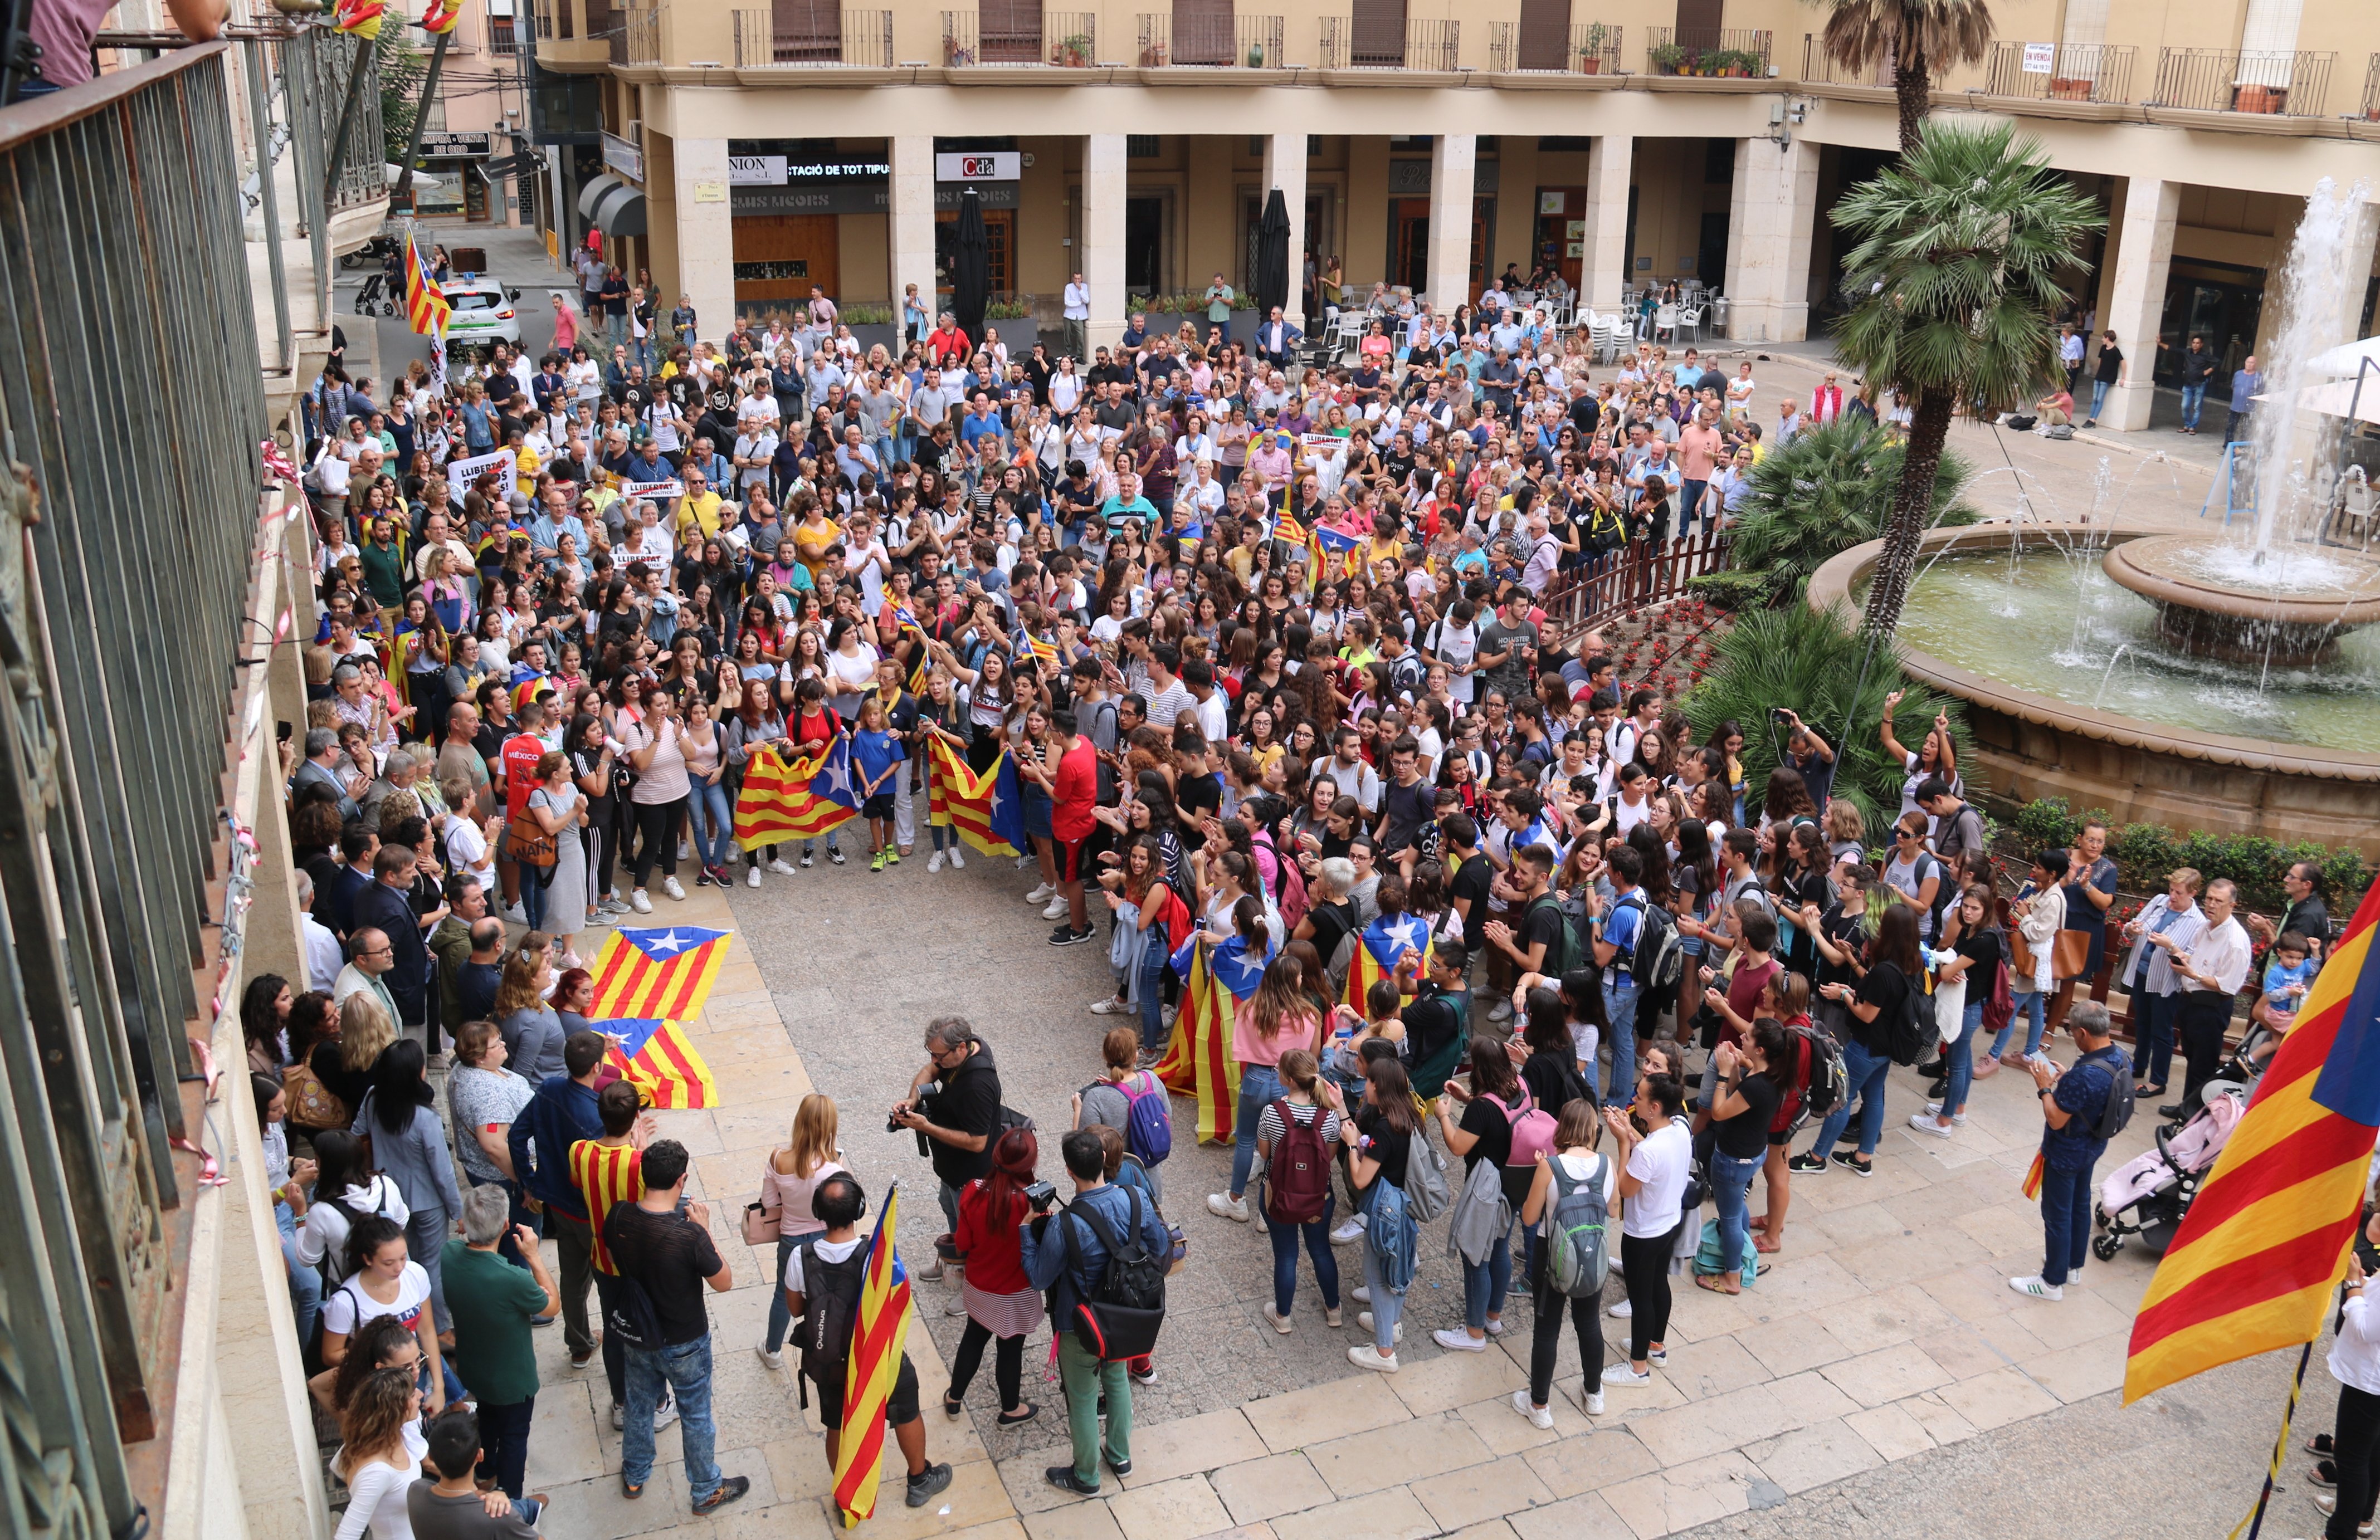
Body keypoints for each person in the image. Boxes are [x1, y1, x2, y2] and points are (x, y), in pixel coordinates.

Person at [783, 1172, 955, 1507]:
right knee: (905, 1411)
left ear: (819, 1212)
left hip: (830, 1360)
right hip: (878, 1357)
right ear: (859, 1209)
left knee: (836, 1423)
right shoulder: (876, 1256)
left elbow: (795, 1309)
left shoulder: (799, 1257)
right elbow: (896, 1302)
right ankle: (920, 1480)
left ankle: (845, 1492)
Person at [1018, 1129, 1173, 1497]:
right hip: (1125, 1314)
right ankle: (1120, 1455)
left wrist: (1026, 1229)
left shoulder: (1064, 1223)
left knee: (1084, 1397)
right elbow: (1160, 1247)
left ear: (1070, 1172)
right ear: (1105, 1160)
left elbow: (1040, 1276)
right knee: (1117, 1378)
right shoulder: (1136, 1197)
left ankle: (1086, 1476)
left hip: (1082, 1322)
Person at [604, 1138, 752, 1513]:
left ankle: (635, 1473)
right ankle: (705, 1489)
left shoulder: (618, 1216)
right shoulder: (689, 1236)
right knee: (696, 1414)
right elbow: (725, 1280)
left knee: (638, 1405)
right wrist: (705, 1230)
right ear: (681, 1180)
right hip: (685, 1342)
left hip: (638, 1335)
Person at [438, 1186, 559, 1499]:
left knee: (487, 1421)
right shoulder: (512, 1279)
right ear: (506, 1226)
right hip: (513, 1380)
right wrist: (533, 1255)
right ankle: (512, 1502)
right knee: (514, 1438)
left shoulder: (449, 1254)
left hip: (474, 1368)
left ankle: (485, 1472)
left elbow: (458, 1241)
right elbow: (552, 1306)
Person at [1794, 904, 1926, 1179]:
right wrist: (1853, 961)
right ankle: (1863, 1157)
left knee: (1843, 1098)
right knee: (1874, 1096)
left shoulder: (1885, 971)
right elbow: (1879, 993)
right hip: (1886, 1046)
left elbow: (1867, 1013)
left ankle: (1817, 1157)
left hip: (1867, 1045)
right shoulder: (1911, 961)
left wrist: (1843, 996)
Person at [2009, 1003, 2130, 1301]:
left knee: (2057, 1214)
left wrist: (2045, 1087)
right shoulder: (2120, 1056)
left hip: (2066, 1152)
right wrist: (2068, 1077)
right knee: (2080, 1204)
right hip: (2093, 1146)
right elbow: (2093, 1096)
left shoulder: (2084, 1076)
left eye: (2070, 1030)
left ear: (2083, 1032)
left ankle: (2051, 1282)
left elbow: (2056, 1118)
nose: (2071, 1035)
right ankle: (2072, 1267)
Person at [508, 1030, 609, 1370]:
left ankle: (579, 1344)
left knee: (572, 1277)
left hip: (557, 1205)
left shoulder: (549, 1089)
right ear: (597, 1067)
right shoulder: (595, 1117)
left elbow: (516, 1135)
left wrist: (530, 1182)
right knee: (608, 1278)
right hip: (589, 1213)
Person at [353, 1039, 466, 1333]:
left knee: (399, 1266)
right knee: (430, 1269)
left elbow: (356, 1136)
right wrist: (458, 1211)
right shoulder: (425, 1118)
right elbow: (442, 1172)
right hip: (427, 1203)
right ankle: (439, 1329)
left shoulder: (372, 1099)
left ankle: (406, 1323)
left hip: (388, 1198)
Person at [1512, 1098, 1612, 1424]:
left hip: (1550, 1255)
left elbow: (1529, 1217)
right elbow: (1615, 1211)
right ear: (1593, 1130)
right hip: (1592, 1253)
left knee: (1547, 1330)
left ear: (1562, 1128)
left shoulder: (1549, 1167)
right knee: (1589, 1323)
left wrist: (1543, 1173)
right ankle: (1594, 1393)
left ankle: (1539, 1406)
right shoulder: (1606, 1164)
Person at [945, 1126, 1044, 1425]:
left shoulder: (972, 1192)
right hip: (1016, 1292)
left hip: (980, 1286)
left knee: (973, 1340)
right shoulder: (1033, 1203)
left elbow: (962, 1244)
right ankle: (1011, 1409)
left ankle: (954, 1397)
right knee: (1010, 1349)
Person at [894, 1016, 1004, 1279]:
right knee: (951, 1212)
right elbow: (929, 1072)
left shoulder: (978, 1086)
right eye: (932, 1053)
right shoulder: (967, 1049)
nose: (934, 1061)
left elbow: (978, 1142)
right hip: (952, 1170)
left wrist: (926, 1127)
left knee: (971, 1231)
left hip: (971, 1177)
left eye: (939, 1056)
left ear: (962, 1049)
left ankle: (969, 1282)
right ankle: (953, 1262)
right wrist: (913, 1099)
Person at [1601, 1072, 1689, 1387]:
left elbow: (1625, 1188)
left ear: (1654, 1108)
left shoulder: (1649, 1152)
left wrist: (1623, 1141)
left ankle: (1637, 1368)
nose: (1633, 1100)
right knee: (1658, 1286)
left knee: (1641, 1300)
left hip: (1643, 1234)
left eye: (1638, 1097)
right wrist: (1631, 1132)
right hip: (1669, 1224)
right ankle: (1656, 1346)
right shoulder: (1679, 1128)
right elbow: (1651, 1150)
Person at [1254, 1048, 1343, 1332]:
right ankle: (1334, 1311)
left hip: (1278, 1195)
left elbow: (1265, 1154)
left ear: (1288, 1079)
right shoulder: (1328, 1116)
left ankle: (1283, 1317)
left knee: (1286, 1254)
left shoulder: (1271, 1113)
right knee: (1320, 1250)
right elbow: (1328, 1158)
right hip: (1319, 1196)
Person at [757, 1093, 846, 1369]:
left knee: (783, 1295)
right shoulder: (834, 1167)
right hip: (824, 1239)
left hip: (791, 1239)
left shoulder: (778, 1159)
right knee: (826, 1294)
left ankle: (772, 1350)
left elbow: (769, 1203)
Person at [1699, 1022, 1783, 1295]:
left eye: (1747, 1037)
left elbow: (1720, 1111)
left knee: (1730, 1218)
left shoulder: (1760, 1085)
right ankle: (1744, 1251)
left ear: (1759, 1049)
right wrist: (1734, 1067)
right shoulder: (1766, 1073)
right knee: (1736, 1209)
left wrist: (1722, 1074)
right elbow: (1740, 1095)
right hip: (1752, 1154)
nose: (1741, 1037)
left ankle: (1732, 1278)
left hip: (1734, 1160)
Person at [2159, 877, 2252, 1119]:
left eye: (2218, 901)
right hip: (2189, 1001)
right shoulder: (2205, 927)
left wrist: (2194, 974)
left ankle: (2192, 1117)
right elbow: (2193, 955)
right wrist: (2180, 957)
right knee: (2191, 1057)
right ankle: (2186, 1107)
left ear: (2232, 905)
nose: (2211, 904)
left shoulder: (2236, 942)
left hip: (2211, 1007)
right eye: (2209, 898)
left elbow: (2227, 986)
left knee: (2204, 1065)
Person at [2116, 867, 2203, 1099]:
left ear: (2193, 893)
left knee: (2162, 1031)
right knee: (2142, 1022)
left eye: (2179, 893)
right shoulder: (2159, 901)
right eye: (2171, 890)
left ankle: (2158, 1081)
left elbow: (2192, 958)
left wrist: (2171, 946)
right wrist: (2132, 929)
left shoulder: (2198, 922)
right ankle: (2139, 1065)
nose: (2172, 896)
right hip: (2142, 971)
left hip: (2166, 981)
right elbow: (2136, 925)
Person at [409, 1409, 547, 1540]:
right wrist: (499, 1495)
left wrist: (484, 1494)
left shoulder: (415, 1490)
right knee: (539, 1501)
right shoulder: (498, 1517)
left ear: (431, 1457)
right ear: (480, 1456)